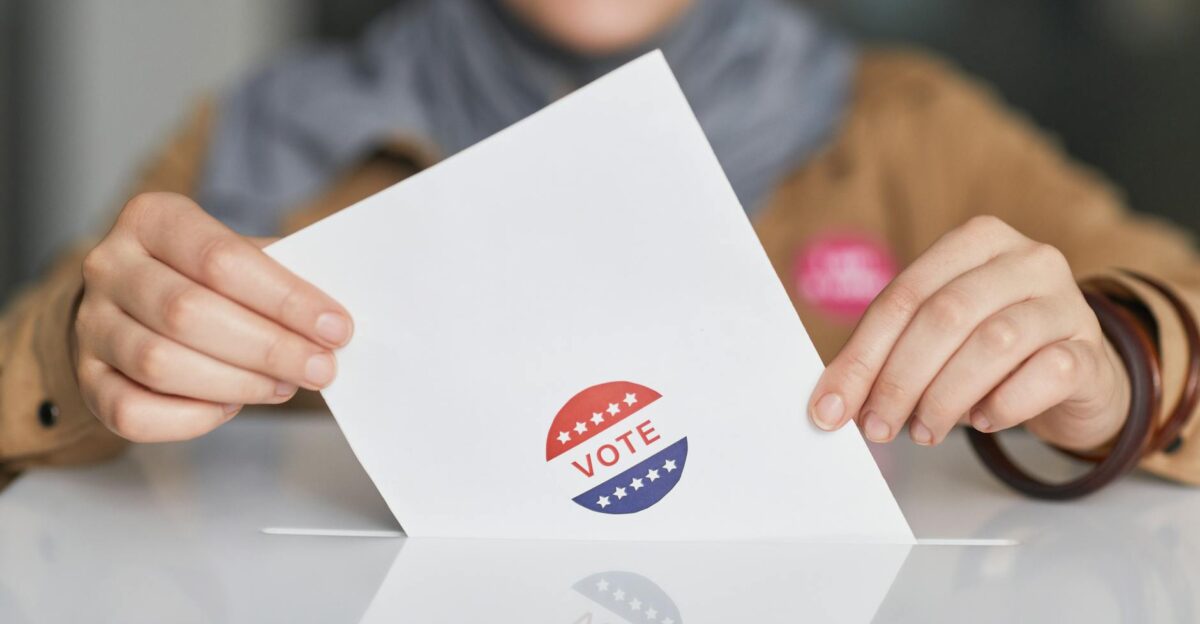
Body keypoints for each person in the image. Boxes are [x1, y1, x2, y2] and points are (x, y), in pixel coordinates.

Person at [1, 0, 1197, 491]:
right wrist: (84, 346)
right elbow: (30, 382)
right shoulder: (268, 140)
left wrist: (1119, 365)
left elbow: (1163, 307)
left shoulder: (913, 134)